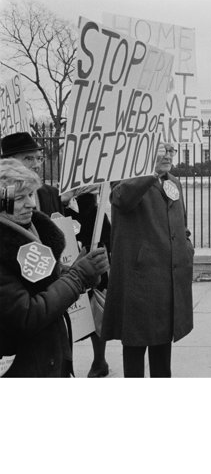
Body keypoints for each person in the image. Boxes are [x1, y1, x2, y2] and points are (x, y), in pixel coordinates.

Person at [0, 159, 109, 377]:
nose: (31, 203)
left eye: (31, 195)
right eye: (20, 198)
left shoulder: (30, 230)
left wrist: (85, 272)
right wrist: (77, 277)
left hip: (50, 358)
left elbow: (47, 280)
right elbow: (28, 314)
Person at [101, 143, 194, 378]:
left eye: (171, 150)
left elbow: (180, 222)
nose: (168, 155)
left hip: (168, 275)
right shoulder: (124, 178)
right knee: (135, 342)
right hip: (140, 278)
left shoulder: (173, 181)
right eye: (162, 149)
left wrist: (187, 246)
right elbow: (121, 199)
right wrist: (150, 173)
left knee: (163, 341)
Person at [62, 185, 111, 378]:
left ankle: (99, 360)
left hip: (92, 263)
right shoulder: (61, 204)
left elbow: (107, 238)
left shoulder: (96, 212)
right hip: (71, 261)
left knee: (94, 312)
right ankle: (96, 360)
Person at [0, 131, 64, 216]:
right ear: (9, 161)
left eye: (39, 158)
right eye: (29, 158)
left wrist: (68, 202)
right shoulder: (5, 194)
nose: (37, 165)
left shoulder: (53, 193)